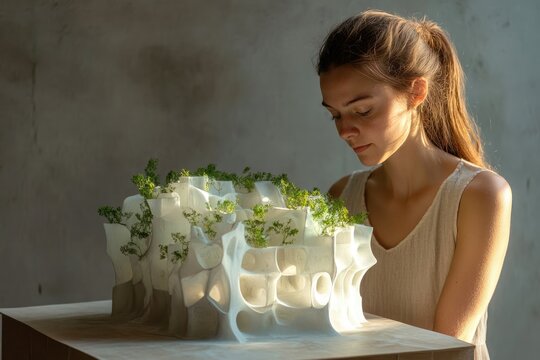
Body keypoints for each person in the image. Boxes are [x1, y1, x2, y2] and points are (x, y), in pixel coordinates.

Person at [318, 10, 512, 359]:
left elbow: (445, 347)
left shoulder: (481, 196)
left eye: (361, 111)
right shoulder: (340, 197)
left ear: (416, 92)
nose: (345, 130)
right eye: (335, 114)